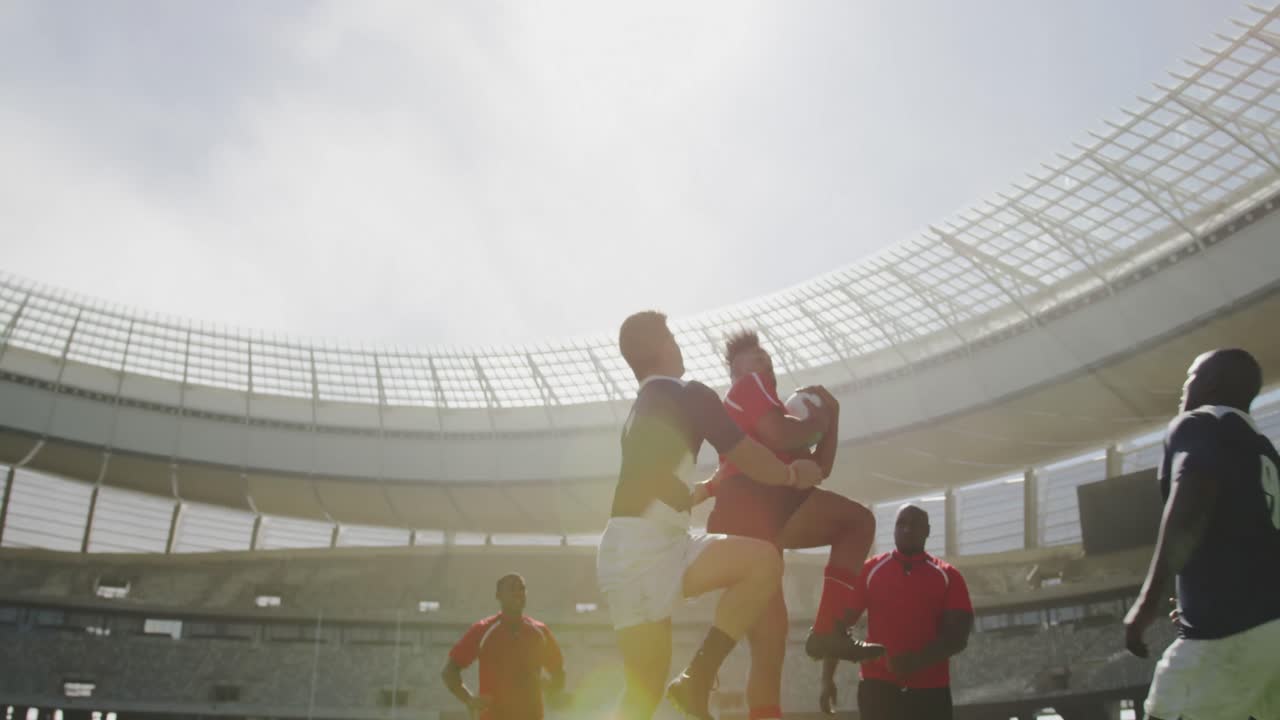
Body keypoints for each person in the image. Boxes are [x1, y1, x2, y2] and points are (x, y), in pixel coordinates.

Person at [598, 310, 825, 720]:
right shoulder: (688, 393)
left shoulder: (642, 408)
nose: (678, 344)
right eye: (671, 336)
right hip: (648, 549)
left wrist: (710, 487)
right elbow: (751, 456)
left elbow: (657, 491)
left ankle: (695, 680)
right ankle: (698, 676)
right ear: (661, 346)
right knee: (763, 563)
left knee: (642, 694)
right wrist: (793, 474)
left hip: (628, 548)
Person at [693, 330, 883, 720]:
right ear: (736, 371)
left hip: (746, 515)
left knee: (769, 650)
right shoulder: (748, 389)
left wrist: (831, 418)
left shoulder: (773, 413)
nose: (765, 362)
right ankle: (828, 628)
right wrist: (820, 418)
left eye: (767, 357)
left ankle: (706, 679)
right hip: (757, 500)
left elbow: (819, 469)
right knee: (858, 522)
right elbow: (781, 435)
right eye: (755, 358)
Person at [1124, 348, 1280, 720]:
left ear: (1210, 383)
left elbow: (1192, 503)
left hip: (1229, 633)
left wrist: (1147, 603)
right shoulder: (1263, 449)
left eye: (1190, 377)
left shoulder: (1199, 422)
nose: (1184, 388)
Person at [819, 504, 972, 720]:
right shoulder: (869, 570)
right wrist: (826, 679)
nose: (907, 529)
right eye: (901, 524)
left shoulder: (949, 576)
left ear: (927, 531)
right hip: (878, 688)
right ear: (893, 529)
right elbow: (839, 625)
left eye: (914, 525)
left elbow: (957, 637)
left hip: (930, 690)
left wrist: (914, 662)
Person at [442, 573, 566, 720]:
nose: (518, 592)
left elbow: (559, 673)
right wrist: (469, 699)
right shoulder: (483, 630)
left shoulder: (540, 632)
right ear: (498, 595)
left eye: (522, 588)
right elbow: (449, 672)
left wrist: (551, 687)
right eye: (512, 588)